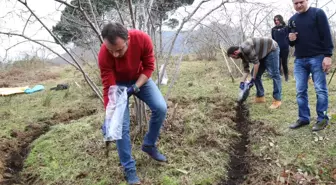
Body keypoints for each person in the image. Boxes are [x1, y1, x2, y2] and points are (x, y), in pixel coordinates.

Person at [98, 22, 167, 184]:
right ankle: (129, 169)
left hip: (139, 78)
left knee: (160, 107)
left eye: (119, 50)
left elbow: (149, 67)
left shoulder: (142, 39)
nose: (115, 55)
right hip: (118, 85)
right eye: (111, 51)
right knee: (121, 127)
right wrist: (110, 117)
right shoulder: (104, 55)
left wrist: (136, 86)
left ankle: (149, 145)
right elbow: (109, 86)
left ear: (128, 39)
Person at [288, 0, 333, 131]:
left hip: (318, 57)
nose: (298, 5)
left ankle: (322, 118)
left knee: (320, 89)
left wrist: (328, 55)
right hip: (299, 60)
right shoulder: (292, 20)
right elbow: (290, 42)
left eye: (301, 2)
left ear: (307, 1)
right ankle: (303, 118)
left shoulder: (318, 13)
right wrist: (290, 39)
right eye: (295, 3)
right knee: (300, 91)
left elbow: (326, 34)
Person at [227, 37, 282, 109]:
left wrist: (253, 78)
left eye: (233, 57)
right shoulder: (242, 55)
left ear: (235, 52)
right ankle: (260, 97)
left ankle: (277, 100)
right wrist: (242, 83)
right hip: (262, 54)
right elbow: (246, 70)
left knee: (274, 74)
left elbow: (256, 64)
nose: (234, 58)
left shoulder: (246, 48)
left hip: (271, 49)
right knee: (255, 74)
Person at [272, 15, 290, 81]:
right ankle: (279, 78)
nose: (276, 21)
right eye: (275, 20)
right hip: (277, 49)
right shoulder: (273, 29)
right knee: (278, 64)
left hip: (285, 48)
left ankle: (286, 78)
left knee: (284, 63)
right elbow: (273, 39)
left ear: (281, 20)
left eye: (278, 20)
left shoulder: (286, 28)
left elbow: (289, 37)